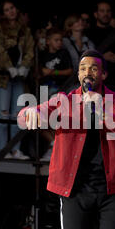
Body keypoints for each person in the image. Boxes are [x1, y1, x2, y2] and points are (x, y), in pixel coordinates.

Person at [18, 50, 115, 229]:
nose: (87, 72)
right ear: (78, 75)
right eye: (83, 68)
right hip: (75, 189)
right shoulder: (64, 100)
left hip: (109, 189)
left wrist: (99, 109)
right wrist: (30, 113)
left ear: (103, 75)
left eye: (93, 68)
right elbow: (27, 114)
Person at [0, 0, 34, 160]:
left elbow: (30, 49)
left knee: (18, 114)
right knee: (3, 114)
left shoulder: (25, 29)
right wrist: (8, 67)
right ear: (2, 13)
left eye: (12, 8)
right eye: (7, 9)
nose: (11, 11)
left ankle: (15, 149)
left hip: (19, 76)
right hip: (3, 76)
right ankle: (3, 150)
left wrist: (24, 66)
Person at [37, 27, 73, 161]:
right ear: (48, 41)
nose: (59, 43)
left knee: (55, 120)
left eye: (60, 40)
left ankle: (55, 149)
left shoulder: (64, 53)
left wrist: (53, 73)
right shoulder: (42, 54)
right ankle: (53, 145)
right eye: (56, 40)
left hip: (58, 89)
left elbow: (70, 71)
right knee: (40, 121)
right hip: (43, 89)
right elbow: (37, 71)